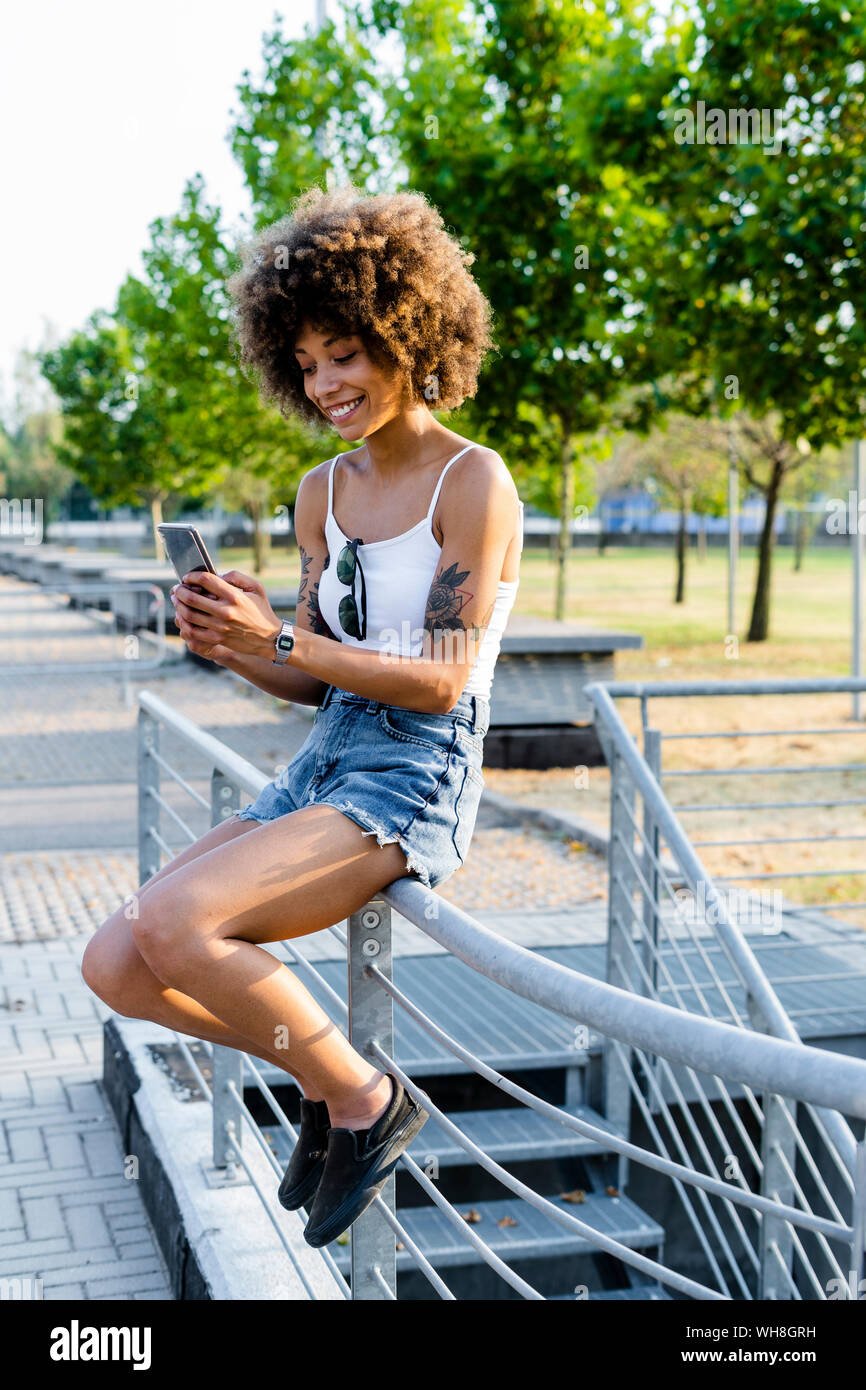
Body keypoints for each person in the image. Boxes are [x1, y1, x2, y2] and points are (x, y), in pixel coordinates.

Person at [81, 184, 524, 1250]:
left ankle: (365, 1101)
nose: (326, 383)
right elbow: (317, 680)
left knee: (181, 924)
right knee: (115, 961)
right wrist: (237, 642)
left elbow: (441, 682)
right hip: (327, 759)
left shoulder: (476, 481)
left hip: (411, 775)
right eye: (308, 362)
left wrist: (282, 640)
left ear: (407, 333)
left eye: (347, 354)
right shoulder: (318, 492)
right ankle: (334, 1081)